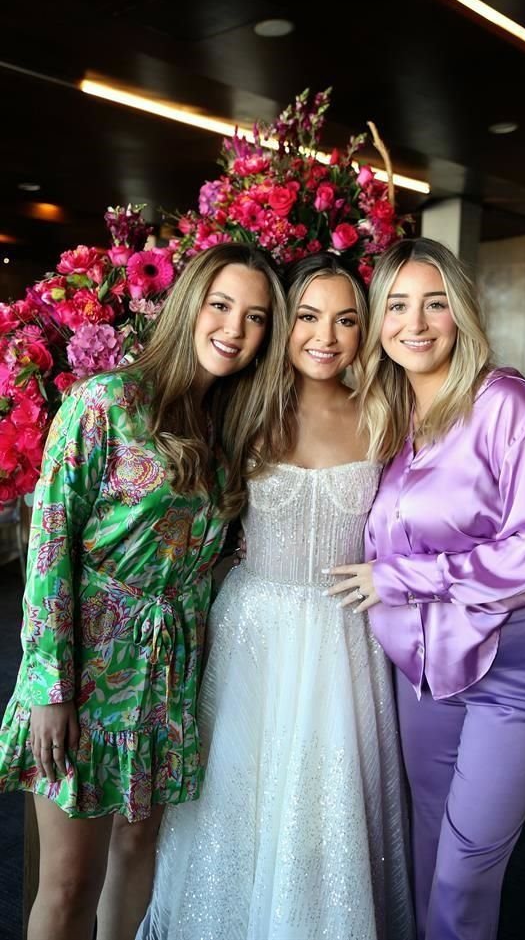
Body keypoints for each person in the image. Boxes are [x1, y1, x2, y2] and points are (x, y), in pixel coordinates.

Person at [0, 242, 285, 940]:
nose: (234, 328)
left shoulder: (229, 429)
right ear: (190, 305)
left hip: (168, 678)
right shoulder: (106, 402)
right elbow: (48, 550)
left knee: (138, 855)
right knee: (68, 882)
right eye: (221, 305)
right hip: (89, 671)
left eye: (254, 317)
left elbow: (210, 554)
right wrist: (50, 689)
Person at [142, 253, 415, 940]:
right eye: (310, 317)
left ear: (366, 331)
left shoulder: (385, 415)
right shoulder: (239, 408)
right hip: (254, 630)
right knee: (240, 804)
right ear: (285, 324)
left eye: (347, 320)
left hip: (344, 637)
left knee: (329, 815)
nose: (327, 335)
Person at [327, 237, 525, 940]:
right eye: (397, 304)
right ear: (378, 321)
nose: (417, 322)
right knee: (428, 845)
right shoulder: (388, 415)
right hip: (423, 671)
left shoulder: (507, 406)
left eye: (435, 303)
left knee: (467, 872)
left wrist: (403, 577)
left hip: (513, 666)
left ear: (460, 313)